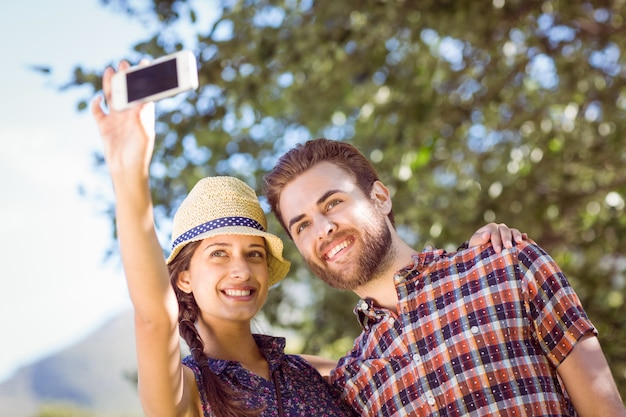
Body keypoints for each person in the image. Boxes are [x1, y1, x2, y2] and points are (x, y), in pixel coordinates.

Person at [92, 62, 526, 417]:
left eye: (254, 253)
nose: (240, 269)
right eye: (219, 254)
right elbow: (153, 318)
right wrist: (128, 171)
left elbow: (426, 362)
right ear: (183, 278)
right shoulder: (188, 391)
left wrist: (477, 263)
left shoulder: (321, 374)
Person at [263, 138, 626, 417]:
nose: (323, 229)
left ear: (380, 197)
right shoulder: (353, 383)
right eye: (303, 225)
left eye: (333, 203)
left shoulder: (508, 266)